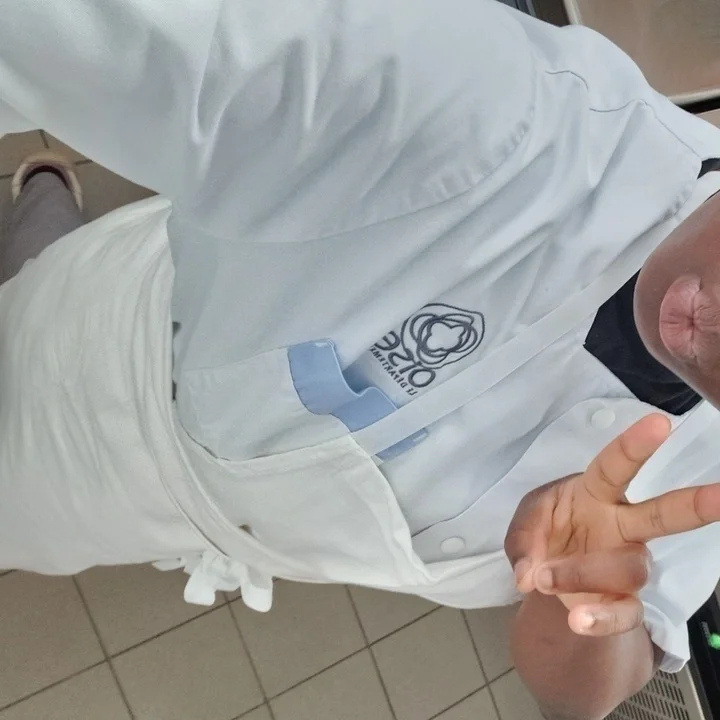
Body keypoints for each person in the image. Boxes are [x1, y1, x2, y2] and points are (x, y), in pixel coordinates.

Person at [2, 1, 720, 716]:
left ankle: (44, 194)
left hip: (187, 529)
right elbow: (102, 33)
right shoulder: (508, 109)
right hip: (94, 374)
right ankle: (43, 194)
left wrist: (585, 599)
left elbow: (589, 695)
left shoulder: (707, 489)